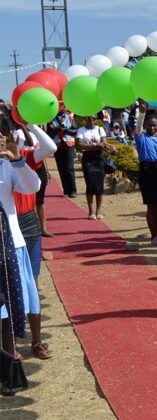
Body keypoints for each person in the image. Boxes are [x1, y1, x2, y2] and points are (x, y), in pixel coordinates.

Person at [0, 131, 45, 359]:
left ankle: (24, 344)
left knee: (21, 296)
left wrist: (16, 160)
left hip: (11, 246)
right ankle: (9, 349)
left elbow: (32, 186)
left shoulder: (6, 166)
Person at [10, 124, 56, 283]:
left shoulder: (23, 156)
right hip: (7, 222)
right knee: (11, 278)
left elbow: (50, 147)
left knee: (32, 275)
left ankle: (33, 307)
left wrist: (29, 124)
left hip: (28, 222)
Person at [134, 103, 157, 245]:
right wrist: (142, 114)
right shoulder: (141, 138)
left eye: (155, 125)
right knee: (151, 205)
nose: (152, 128)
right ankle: (153, 235)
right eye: (150, 125)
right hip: (146, 172)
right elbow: (138, 129)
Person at [76, 116, 115, 219]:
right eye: (89, 118)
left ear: (95, 119)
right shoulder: (81, 130)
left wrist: (90, 145)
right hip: (87, 159)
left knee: (99, 186)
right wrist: (95, 145)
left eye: (93, 118)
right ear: (86, 119)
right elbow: (79, 145)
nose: (91, 120)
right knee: (90, 184)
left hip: (98, 158)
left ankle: (98, 211)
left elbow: (103, 144)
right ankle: (91, 211)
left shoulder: (99, 129)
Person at [49, 110, 77, 198]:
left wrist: (66, 130)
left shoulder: (70, 117)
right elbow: (49, 134)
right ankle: (66, 190)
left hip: (69, 145)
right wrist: (57, 129)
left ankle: (72, 190)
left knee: (69, 168)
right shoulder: (50, 119)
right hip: (57, 146)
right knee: (61, 169)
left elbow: (75, 131)